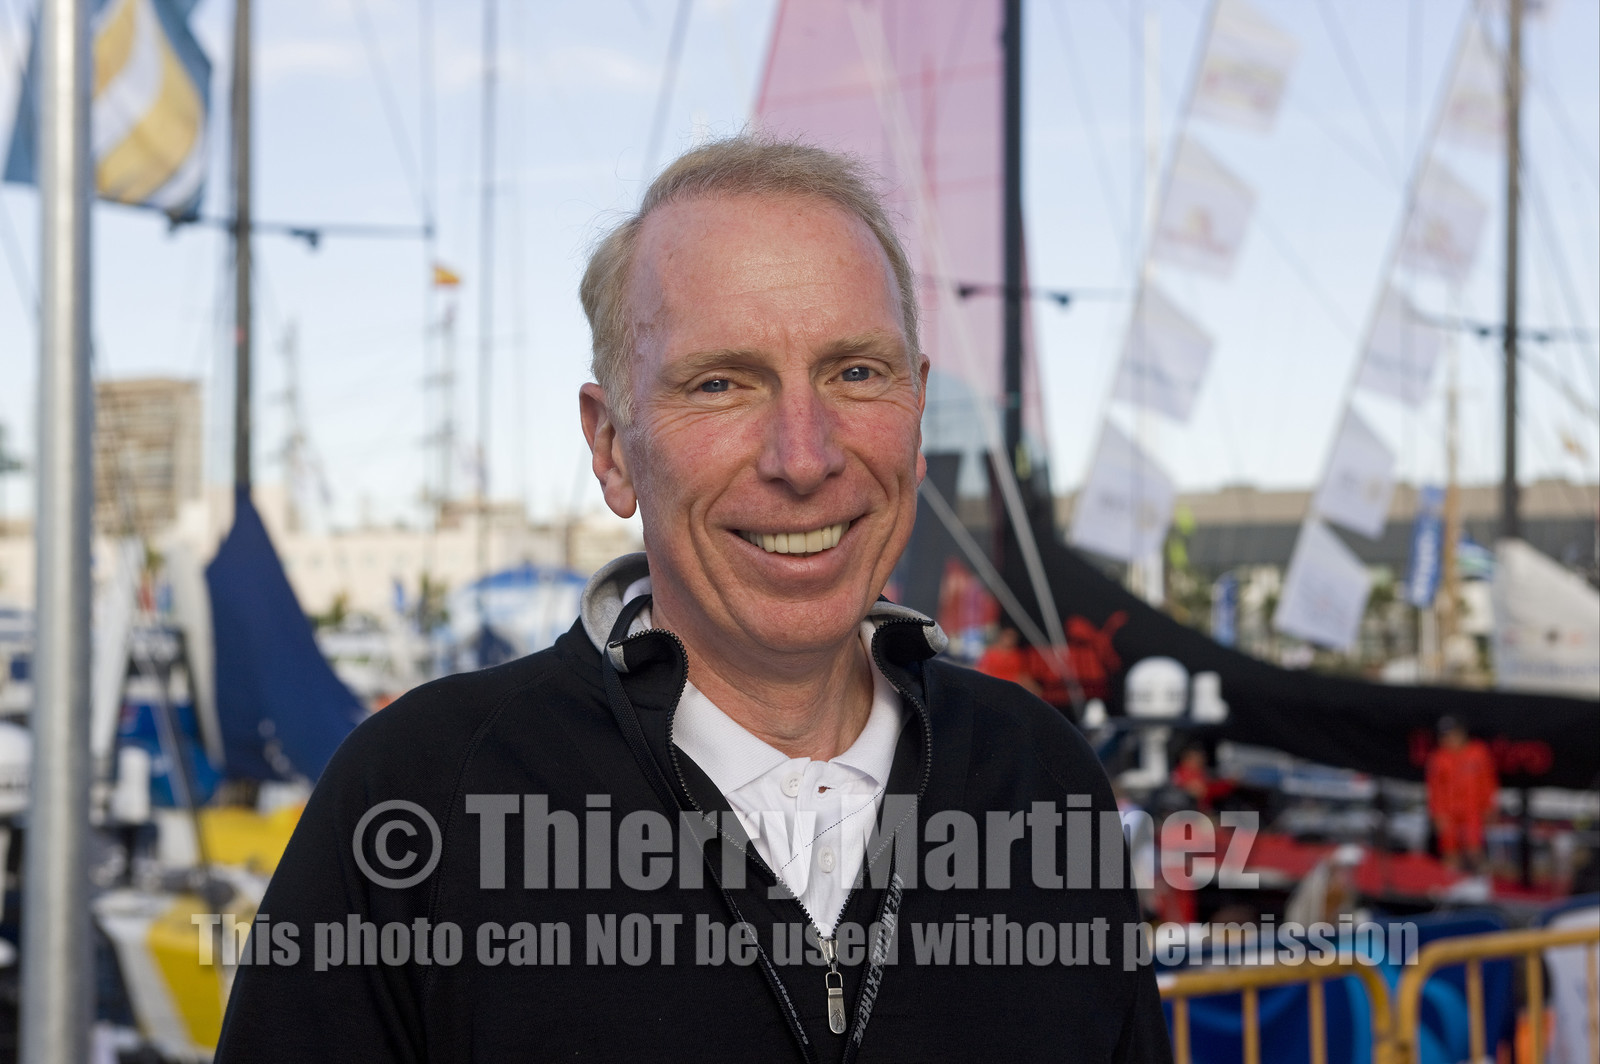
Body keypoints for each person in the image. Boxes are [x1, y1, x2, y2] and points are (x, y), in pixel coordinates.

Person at [215, 136, 1169, 1062]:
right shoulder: (419, 795)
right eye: (721, 384)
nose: (805, 456)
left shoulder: (1042, 777)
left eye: (856, 373)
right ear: (612, 447)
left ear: (917, 417)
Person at [1426, 716, 1498, 872]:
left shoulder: (1478, 752)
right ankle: (1451, 886)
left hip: (1473, 810)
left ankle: (1481, 882)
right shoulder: (1438, 758)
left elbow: (1488, 782)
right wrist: (1437, 814)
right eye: (1445, 735)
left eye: (1453, 734)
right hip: (1448, 812)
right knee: (1450, 851)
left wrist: (1489, 807)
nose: (1450, 739)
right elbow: (1435, 789)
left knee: (1474, 847)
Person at [974, 624, 1042, 695]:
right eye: (1008, 636)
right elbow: (982, 671)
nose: (1010, 639)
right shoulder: (990, 653)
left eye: (1013, 637)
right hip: (995, 685)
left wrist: (1033, 687)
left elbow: (1023, 674)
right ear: (1002, 636)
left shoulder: (1018, 654)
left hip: (1014, 686)